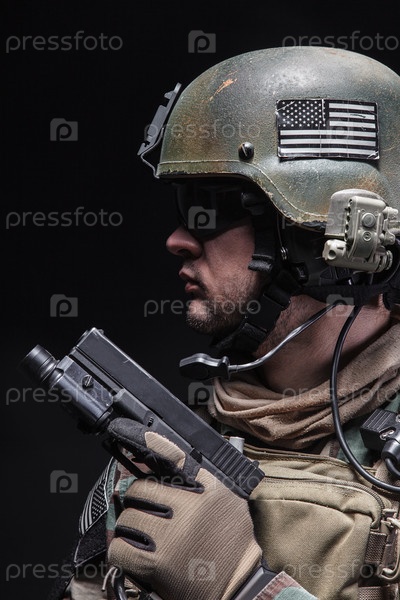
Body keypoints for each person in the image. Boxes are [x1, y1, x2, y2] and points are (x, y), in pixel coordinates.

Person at [52, 46, 400, 600]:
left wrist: (246, 587)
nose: (178, 240)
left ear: (317, 237)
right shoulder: (168, 459)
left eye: (211, 209)